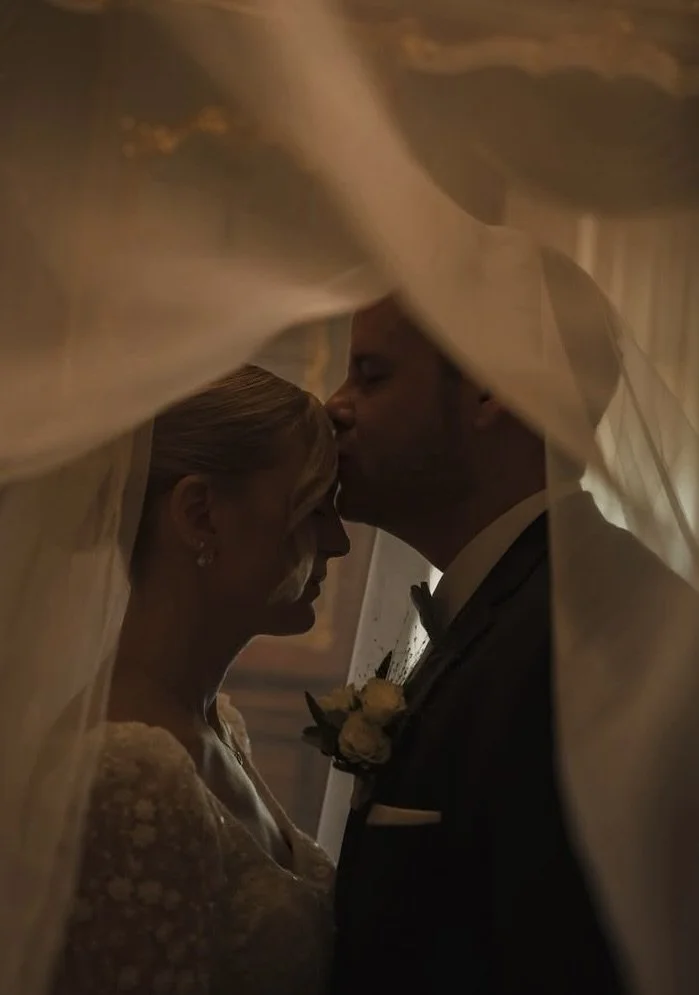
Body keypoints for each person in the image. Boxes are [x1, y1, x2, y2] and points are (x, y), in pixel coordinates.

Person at [324, 247, 682, 995]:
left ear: (492, 390)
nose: (334, 404)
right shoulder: (523, 602)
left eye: (372, 374)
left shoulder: (594, 633)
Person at [51, 364, 349, 995]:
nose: (339, 541)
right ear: (200, 514)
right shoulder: (128, 771)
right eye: (314, 506)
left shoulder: (217, 727)